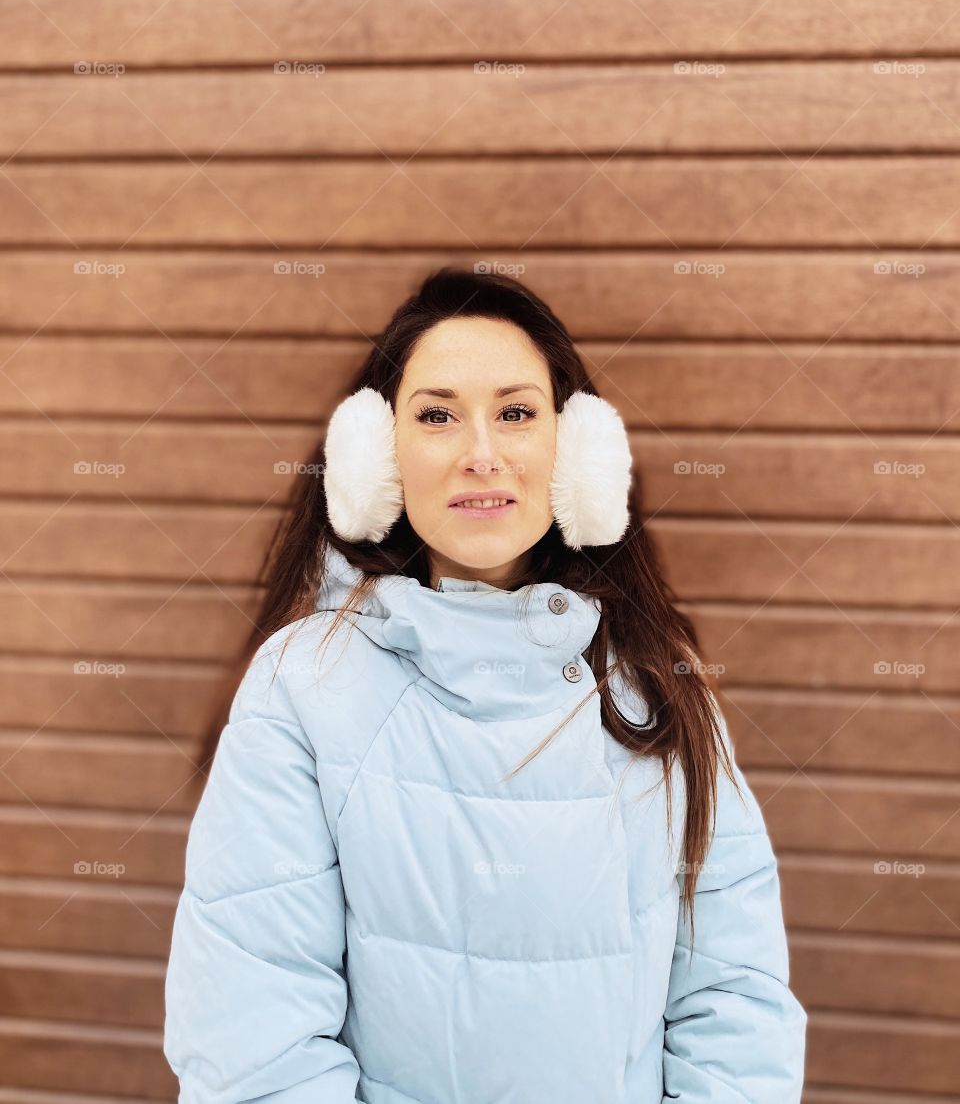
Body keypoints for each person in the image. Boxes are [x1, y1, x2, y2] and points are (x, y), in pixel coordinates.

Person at [163, 266, 807, 1102]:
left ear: (577, 450)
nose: (481, 455)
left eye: (516, 413)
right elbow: (254, 1044)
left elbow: (736, 1003)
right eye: (437, 416)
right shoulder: (302, 688)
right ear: (375, 455)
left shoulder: (660, 684)